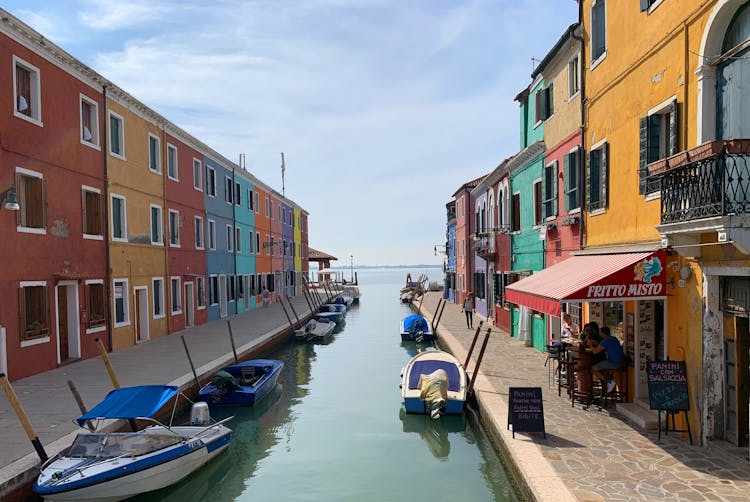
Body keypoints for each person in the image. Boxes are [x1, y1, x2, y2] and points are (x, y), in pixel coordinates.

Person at [590, 326, 624, 394]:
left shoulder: (605, 340)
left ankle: (609, 382)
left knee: (593, 369)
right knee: (602, 369)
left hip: (613, 363)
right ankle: (609, 383)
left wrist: (590, 345)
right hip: (621, 362)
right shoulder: (613, 338)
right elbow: (603, 346)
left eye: (600, 332)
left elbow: (595, 351)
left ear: (602, 333)